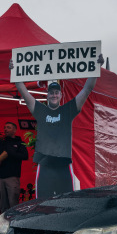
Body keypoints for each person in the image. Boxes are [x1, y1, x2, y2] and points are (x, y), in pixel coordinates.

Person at [9, 54, 104, 198]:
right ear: (47, 95)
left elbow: (87, 89)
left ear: (60, 95)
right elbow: (23, 92)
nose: (54, 95)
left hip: (63, 167)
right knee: (42, 204)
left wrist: (96, 67)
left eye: (56, 93)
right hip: (44, 167)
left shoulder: (67, 110)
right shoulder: (40, 110)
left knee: (66, 203)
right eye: (51, 93)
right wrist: (14, 71)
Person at [0, 121, 29, 212]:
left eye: (8, 127)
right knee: (2, 203)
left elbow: (25, 156)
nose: (5, 129)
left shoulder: (19, 143)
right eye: (5, 127)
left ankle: (14, 220)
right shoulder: (1, 142)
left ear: (14, 130)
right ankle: (4, 220)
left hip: (12, 176)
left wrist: (10, 153)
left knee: (13, 203)